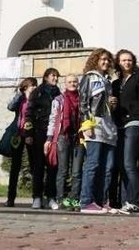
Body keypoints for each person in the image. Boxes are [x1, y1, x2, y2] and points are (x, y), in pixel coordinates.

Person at [111, 49, 139, 215]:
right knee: (124, 164)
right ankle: (129, 200)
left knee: (130, 163)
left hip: (135, 123)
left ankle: (135, 202)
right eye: (123, 60)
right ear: (118, 63)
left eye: (129, 60)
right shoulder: (116, 84)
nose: (127, 63)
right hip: (121, 125)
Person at [79, 48, 118, 214]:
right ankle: (86, 201)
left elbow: (105, 105)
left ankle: (101, 201)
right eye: (102, 59)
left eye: (108, 60)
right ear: (95, 60)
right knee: (93, 164)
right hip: (95, 124)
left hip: (108, 126)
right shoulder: (90, 77)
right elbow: (83, 102)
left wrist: (112, 103)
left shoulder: (107, 80)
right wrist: (86, 124)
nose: (106, 62)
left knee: (107, 167)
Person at [25, 68, 61, 209]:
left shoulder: (58, 94)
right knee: (38, 166)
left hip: (53, 135)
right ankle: (37, 197)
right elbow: (29, 113)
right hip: (39, 132)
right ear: (46, 77)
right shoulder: (37, 92)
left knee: (52, 165)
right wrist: (28, 134)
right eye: (53, 75)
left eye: (57, 76)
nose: (56, 78)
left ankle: (51, 197)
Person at [46, 74, 83, 210]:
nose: (72, 84)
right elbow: (53, 119)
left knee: (77, 172)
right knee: (62, 170)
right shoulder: (58, 100)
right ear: (65, 84)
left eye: (75, 82)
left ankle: (74, 201)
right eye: (69, 82)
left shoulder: (82, 99)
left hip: (79, 137)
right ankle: (61, 200)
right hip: (63, 136)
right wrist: (49, 139)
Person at [5, 77, 37, 207]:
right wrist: (20, 94)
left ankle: (37, 197)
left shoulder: (37, 99)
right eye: (32, 86)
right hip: (18, 135)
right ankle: (10, 197)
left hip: (32, 135)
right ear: (25, 87)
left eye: (35, 85)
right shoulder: (20, 99)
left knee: (34, 166)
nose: (34, 88)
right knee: (15, 167)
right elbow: (10, 107)